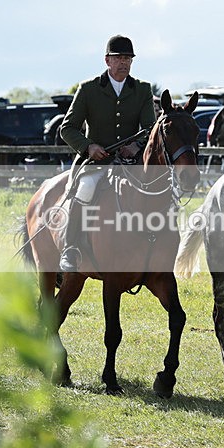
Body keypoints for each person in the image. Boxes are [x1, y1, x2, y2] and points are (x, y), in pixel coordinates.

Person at [57, 34, 157, 272]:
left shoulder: (142, 89)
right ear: (107, 60)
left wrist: (137, 146)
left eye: (128, 58)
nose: (124, 62)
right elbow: (67, 128)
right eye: (119, 57)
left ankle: (154, 244)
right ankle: (70, 249)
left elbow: (150, 129)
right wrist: (89, 147)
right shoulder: (88, 89)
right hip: (96, 162)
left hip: (130, 162)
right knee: (85, 189)